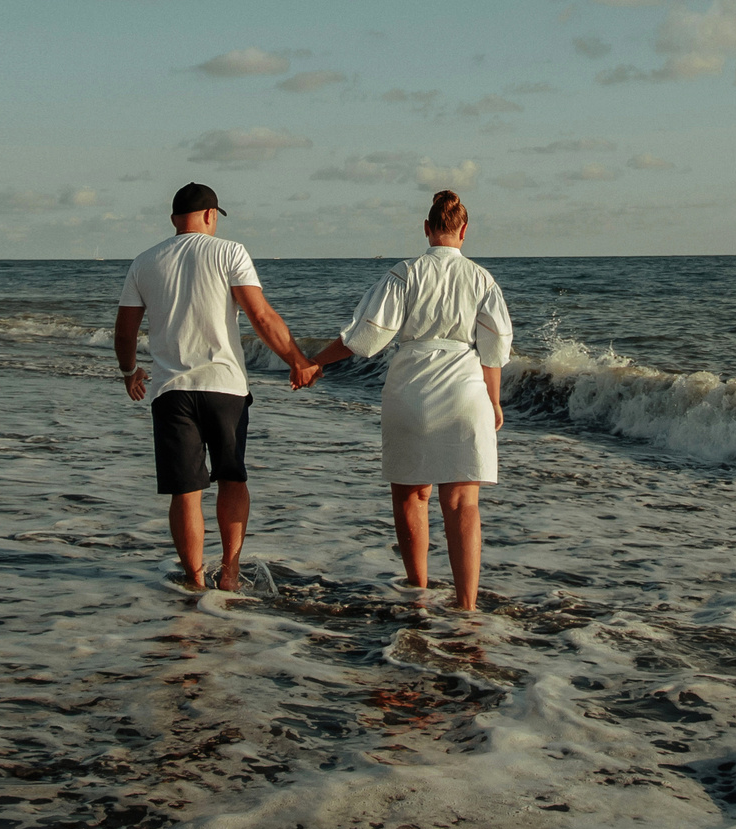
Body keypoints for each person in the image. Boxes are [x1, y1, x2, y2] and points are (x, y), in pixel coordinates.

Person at [302, 190, 513, 611]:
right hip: (465, 388)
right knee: (463, 503)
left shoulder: (405, 273)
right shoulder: (482, 279)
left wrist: (314, 362)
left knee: (411, 496)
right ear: (464, 231)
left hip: (411, 387)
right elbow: (494, 348)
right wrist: (494, 401)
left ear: (426, 229)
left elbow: (367, 337)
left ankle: (418, 593)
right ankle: (467, 607)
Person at [116, 182, 316, 593]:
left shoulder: (144, 262)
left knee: (186, 492)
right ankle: (229, 571)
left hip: (171, 391)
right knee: (232, 479)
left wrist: (130, 370)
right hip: (225, 388)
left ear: (174, 219)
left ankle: (194, 581)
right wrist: (297, 360)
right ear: (211, 215)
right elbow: (260, 316)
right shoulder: (230, 252)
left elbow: (125, 330)